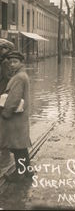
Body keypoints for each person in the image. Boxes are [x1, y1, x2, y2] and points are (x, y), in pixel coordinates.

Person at [0, 51, 33, 182]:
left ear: (21, 63)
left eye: (15, 62)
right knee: (20, 146)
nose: (12, 64)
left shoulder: (19, 77)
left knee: (16, 146)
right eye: (11, 62)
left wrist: (5, 113)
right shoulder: (21, 75)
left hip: (15, 118)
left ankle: (19, 173)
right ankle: (27, 171)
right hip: (20, 117)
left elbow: (14, 99)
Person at [0, 39, 15, 160]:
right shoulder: (7, 61)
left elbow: (7, 77)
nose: (0, 50)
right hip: (4, 94)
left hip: (3, 94)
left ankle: (5, 152)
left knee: (4, 122)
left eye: (2, 48)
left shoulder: (5, 62)